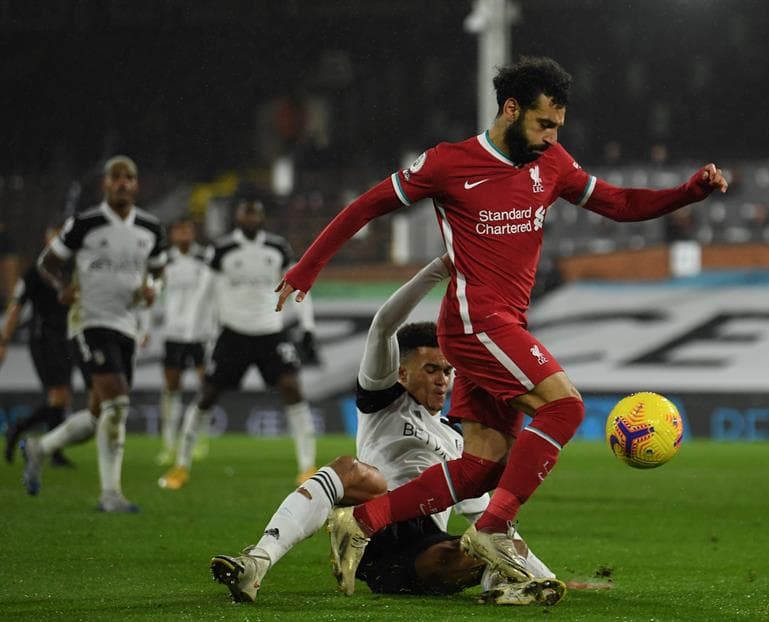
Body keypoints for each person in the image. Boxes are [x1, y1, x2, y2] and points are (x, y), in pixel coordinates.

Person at [274, 56, 729, 593]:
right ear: (511, 109)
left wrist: (688, 193)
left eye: (558, 126)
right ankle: (493, 529)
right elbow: (366, 207)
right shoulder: (448, 163)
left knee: (480, 468)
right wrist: (308, 267)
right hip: (473, 322)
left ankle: (361, 523)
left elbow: (619, 203)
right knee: (565, 407)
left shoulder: (552, 162)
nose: (552, 137)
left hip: (501, 324)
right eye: (544, 124)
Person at [210, 257, 567, 606]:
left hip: (424, 552)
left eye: (447, 371)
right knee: (352, 469)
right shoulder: (384, 400)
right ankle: (257, 561)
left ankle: (508, 587)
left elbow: (487, 520)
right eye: (430, 369)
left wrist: (543, 574)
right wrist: (440, 268)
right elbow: (383, 325)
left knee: (495, 541)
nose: (442, 380)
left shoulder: (461, 442)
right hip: (372, 529)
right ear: (402, 373)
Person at [26, 155, 167, 512]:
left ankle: (40, 448)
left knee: (97, 415)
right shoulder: (84, 224)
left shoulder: (151, 228)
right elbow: (46, 263)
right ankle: (110, 494)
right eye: (116, 177)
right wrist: (62, 286)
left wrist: (153, 289)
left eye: (129, 177)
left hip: (125, 324)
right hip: (89, 320)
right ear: (105, 184)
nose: (122, 183)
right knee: (117, 402)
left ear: (136, 185)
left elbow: (158, 273)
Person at [158, 198, 316, 490]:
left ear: (262, 216)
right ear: (238, 216)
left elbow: (300, 282)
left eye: (256, 211)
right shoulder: (221, 250)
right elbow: (203, 294)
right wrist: (191, 337)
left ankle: (307, 468)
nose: (251, 216)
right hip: (233, 334)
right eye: (246, 211)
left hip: (270, 332)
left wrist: (307, 326)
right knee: (206, 394)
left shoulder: (278, 248)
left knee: (292, 389)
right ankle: (180, 465)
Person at [1, 226, 76, 467]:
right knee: (59, 396)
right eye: (52, 239)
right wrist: (3, 341)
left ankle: (52, 450)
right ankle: (20, 431)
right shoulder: (34, 273)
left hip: (66, 338)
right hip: (43, 339)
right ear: (46, 242)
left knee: (62, 399)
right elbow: (16, 308)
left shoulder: (70, 272)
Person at [155, 216, 215, 466]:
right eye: (179, 230)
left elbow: (214, 293)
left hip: (200, 334)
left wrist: (214, 326)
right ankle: (168, 444)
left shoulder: (206, 258)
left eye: (187, 230)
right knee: (172, 388)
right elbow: (153, 292)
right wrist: (145, 327)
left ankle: (200, 439)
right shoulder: (164, 260)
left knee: (205, 388)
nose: (184, 235)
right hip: (173, 333)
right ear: (172, 235)